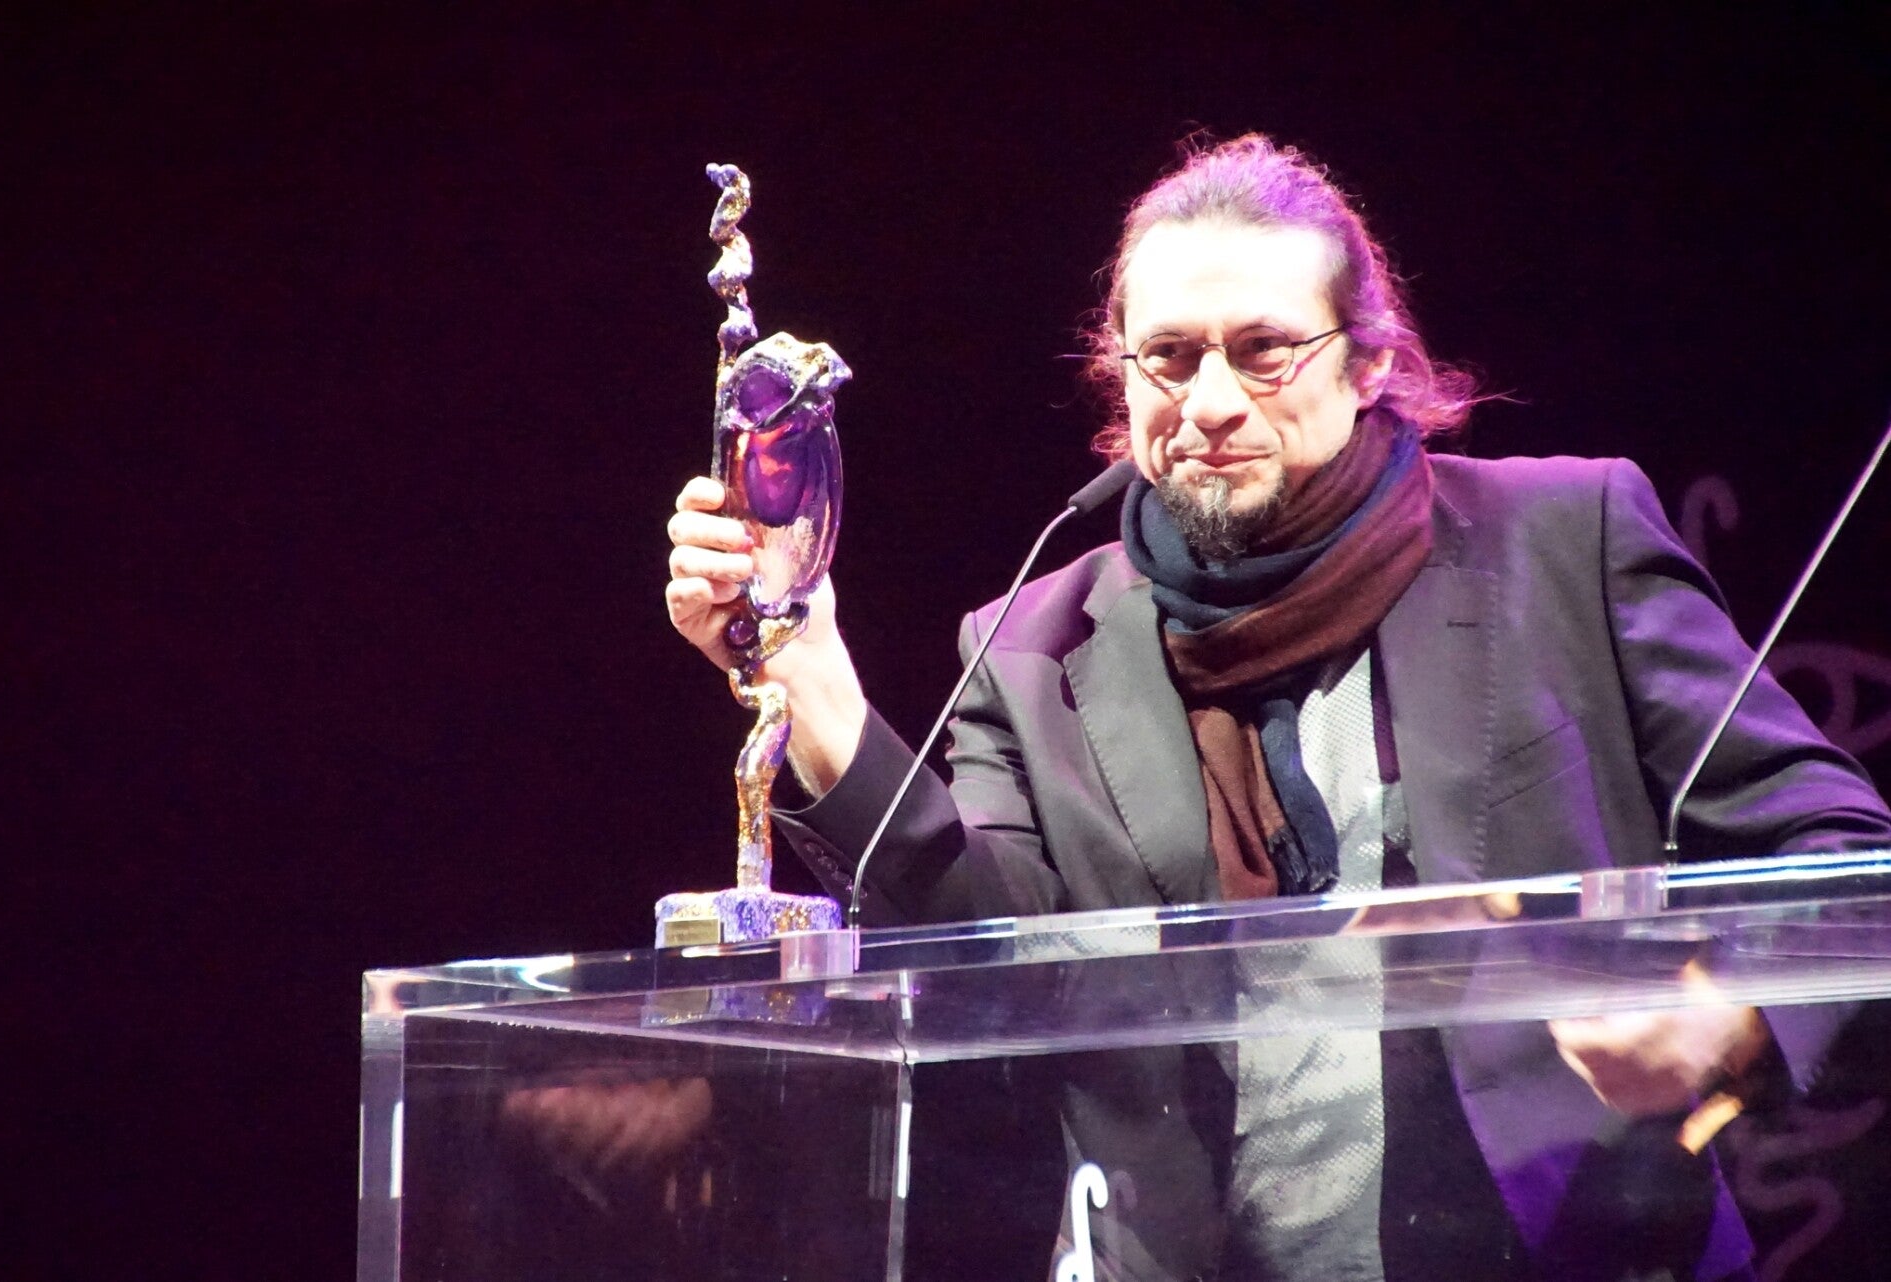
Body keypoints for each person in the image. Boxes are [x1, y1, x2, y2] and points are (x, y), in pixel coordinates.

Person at [665, 133, 1891, 1280]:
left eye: (1262, 350)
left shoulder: (1562, 542)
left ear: (1367, 361)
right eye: (1168, 355)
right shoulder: (1030, 644)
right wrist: (808, 665)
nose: (1208, 400)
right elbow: (997, 965)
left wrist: (1727, 1018)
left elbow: (1842, 857)